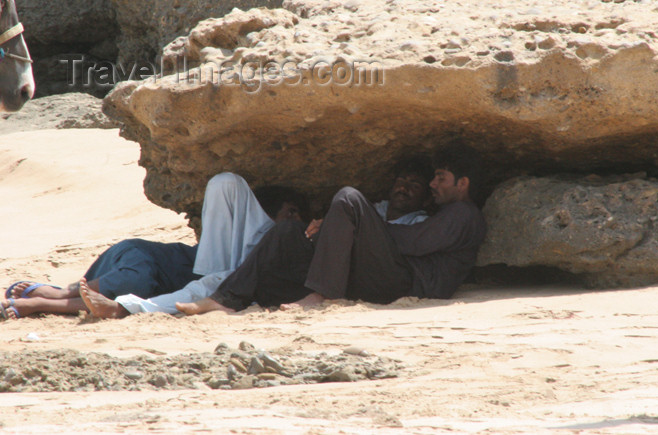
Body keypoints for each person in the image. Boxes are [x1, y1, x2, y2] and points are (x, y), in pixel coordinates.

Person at [78, 155, 436, 318]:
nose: (404, 188)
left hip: (313, 275)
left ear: (427, 196)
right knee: (225, 184)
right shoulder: (373, 208)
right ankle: (213, 277)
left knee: (221, 283)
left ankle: (128, 307)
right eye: (401, 181)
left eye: (414, 185)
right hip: (292, 253)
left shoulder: (416, 223)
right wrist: (322, 228)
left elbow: (378, 255)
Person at [170, 141, 486, 315]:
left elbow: (415, 243)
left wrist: (350, 226)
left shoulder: (463, 213)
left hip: (408, 285)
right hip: (375, 280)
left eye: (439, 178)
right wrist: (339, 230)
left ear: (463, 183)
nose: (433, 184)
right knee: (287, 232)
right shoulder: (451, 213)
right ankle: (225, 299)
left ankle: (320, 295)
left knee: (348, 198)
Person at [0, 173, 307, 320]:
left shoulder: (241, 261)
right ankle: (59, 293)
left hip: (155, 277)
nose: (294, 222)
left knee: (164, 287)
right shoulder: (237, 240)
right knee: (226, 184)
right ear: (261, 212)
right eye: (289, 213)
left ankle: (47, 300)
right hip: (139, 258)